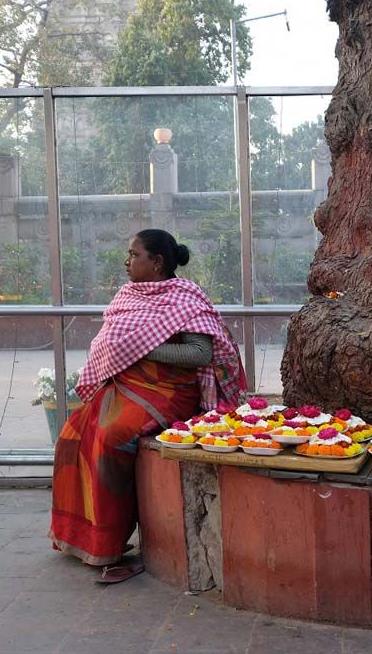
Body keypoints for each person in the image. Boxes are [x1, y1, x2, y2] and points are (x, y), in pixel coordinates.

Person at [49, 228, 246, 583]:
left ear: (156, 262)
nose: (126, 261)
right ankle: (83, 536)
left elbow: (200, 353)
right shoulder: (127, 296)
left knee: (111, 439)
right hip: (126, 386)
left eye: (134, 254)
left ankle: (111, 542)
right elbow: (113, 345)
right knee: (71, 436)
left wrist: (142, 348)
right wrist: (128, 351)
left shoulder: (185, 297)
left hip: (168, 392)